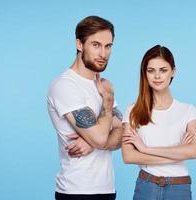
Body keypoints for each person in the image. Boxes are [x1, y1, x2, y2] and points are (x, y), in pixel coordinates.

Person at [47, 16, 123, 200]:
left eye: (108, 46)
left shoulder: (101, 85)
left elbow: (124, 133)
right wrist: (108, 101)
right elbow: (100, 137)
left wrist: (93, 142)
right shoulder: (65, 85)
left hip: (107, 189)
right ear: (79, 44)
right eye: (96, 45)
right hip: (76, 191)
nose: (103, 53)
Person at [122, 45, 196, 200]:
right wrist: (177, 153)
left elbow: (193, 152)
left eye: (163, 70)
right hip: (146, 185)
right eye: (151, 70)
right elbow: (129, 156)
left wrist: (145, 149)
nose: (157, 76)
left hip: (179, 187)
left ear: (173, 71)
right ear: (145, 73)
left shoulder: (188, 111)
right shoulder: (133, 110)